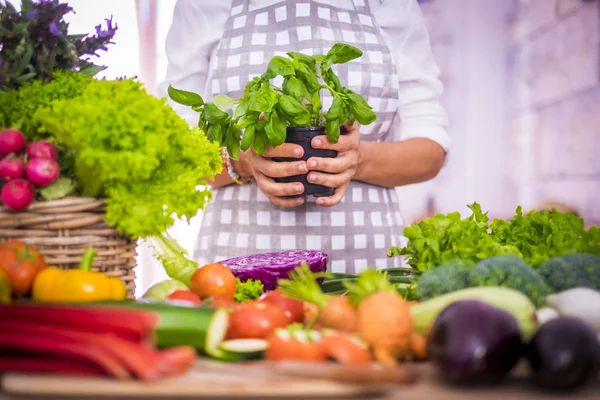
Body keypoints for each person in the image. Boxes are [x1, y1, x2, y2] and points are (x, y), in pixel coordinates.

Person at [158, 0, 450, 273]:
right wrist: (244, 160)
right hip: (238, 264)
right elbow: (176, 153)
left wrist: (357, 160)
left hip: (365, 269)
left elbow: (431, 150)